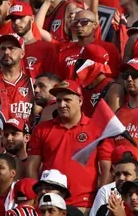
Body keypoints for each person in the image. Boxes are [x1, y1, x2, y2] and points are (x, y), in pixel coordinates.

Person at [26, 81, 100, 209]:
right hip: (50, 204)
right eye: (59, 100)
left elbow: (105, 170)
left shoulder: (97, 128)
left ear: (81, 101)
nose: (61, 105)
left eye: (67, 100)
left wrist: (99, 201)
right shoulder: (42, 129)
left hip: (84, 204)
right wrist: (37, 196)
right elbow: (32, 166)